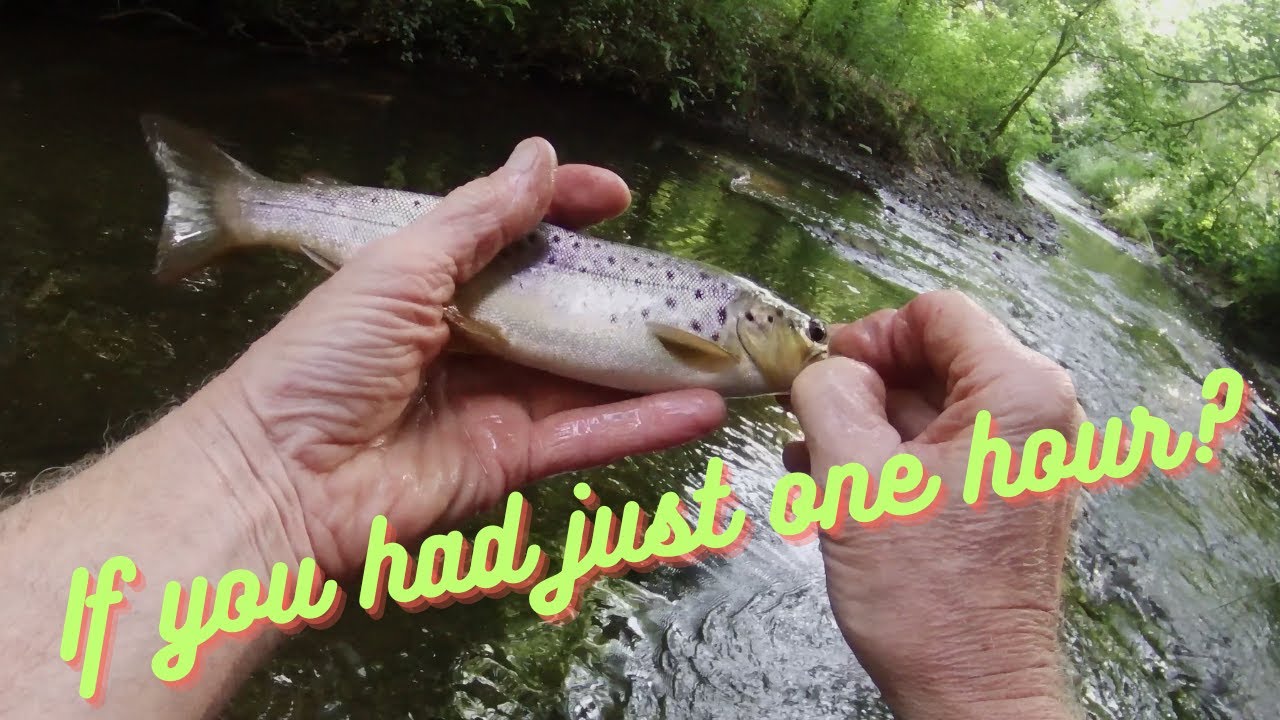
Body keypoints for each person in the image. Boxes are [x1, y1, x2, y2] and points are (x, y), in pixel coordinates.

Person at [0, 138, 1084, 719]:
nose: (816, 345)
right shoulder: (729, 346)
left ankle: (243, 203)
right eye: (800, 329)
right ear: (753, 325)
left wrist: (261, 480)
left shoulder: (734, 360)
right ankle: (246, 202)